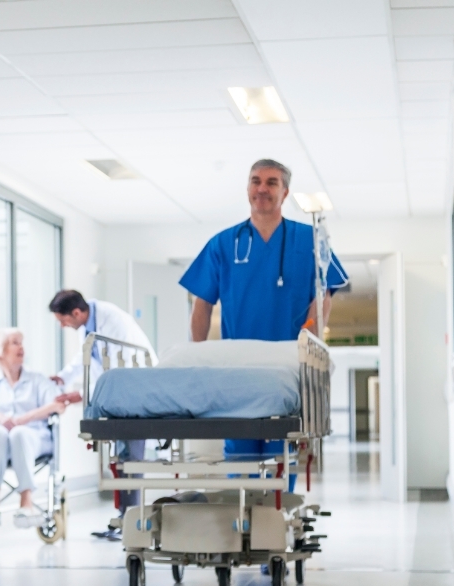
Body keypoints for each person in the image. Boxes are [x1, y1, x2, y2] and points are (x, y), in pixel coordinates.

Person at [179, 158, 348, 487]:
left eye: (272, 183)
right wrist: (196, 357)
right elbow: (202, 305)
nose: (262, 188)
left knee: (281, 455)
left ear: (285, 192)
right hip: (238, 369)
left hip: (286, 366)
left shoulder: (310, 239)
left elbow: (325, 293)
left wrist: (309, 334)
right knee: (240, 459)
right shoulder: (224, 243)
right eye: (256, 181)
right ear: (247, 190)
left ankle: (277, 523)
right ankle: (242, 526)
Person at [47, 290, 156, 540]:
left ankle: (133, 521)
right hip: (118, 400)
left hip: (135, 395)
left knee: (131, 460)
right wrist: (64, 377)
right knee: (120, 461)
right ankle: (122, 518)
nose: (64, 326)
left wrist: (83, 396)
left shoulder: (113, 322)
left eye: (63, 321)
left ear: (76, 313)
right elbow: (86, 358)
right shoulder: (88, 325)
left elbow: (118, 371)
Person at [0, 328, 68, 528]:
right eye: (14, 342)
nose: (21, 347)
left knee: (18, 432)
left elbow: (58, 404)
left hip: (34, 439)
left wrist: (24, 418)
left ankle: (26, 502)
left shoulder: (37, 381)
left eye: (21, 342)